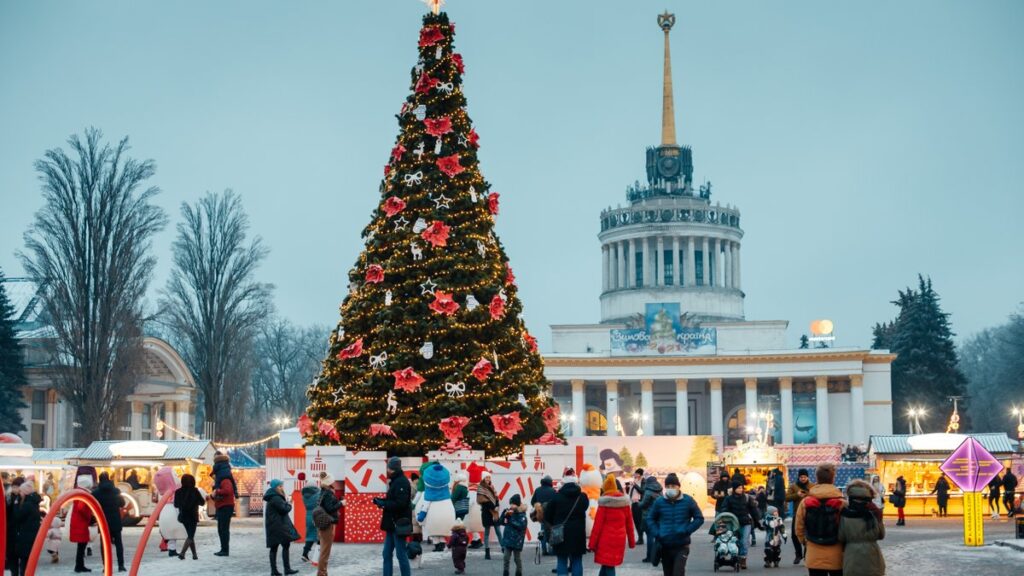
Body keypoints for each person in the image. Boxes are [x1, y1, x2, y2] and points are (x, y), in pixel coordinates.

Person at [647, 472, 704, 576]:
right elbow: (650, 518)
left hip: (682, 545)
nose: (670, 488)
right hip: (665, 545)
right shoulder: (659, 502)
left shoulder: (688, 500)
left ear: (678, 486)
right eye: (668, 486)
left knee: (678, 572)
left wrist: (687, 530)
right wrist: (658, 533)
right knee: (668, 573)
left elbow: (699, 518)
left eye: (673, 486)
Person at [795, 463, 847, 576]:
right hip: (837, 554)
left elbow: (799, 528)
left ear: (817, 478)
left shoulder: (806, 502)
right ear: (833, 478)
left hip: (814, 553)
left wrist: (806, 542)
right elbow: (848, 529)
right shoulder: (842, 503)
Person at [588, 474, 635, 576]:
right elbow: (629, 524)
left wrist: (591, 544)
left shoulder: (604, 504)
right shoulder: (625, 503)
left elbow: (597, 527)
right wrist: (631, 542)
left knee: (608, 566)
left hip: (605, 540)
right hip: (619, 540)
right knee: (607, 565)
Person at [545, 469, 589, 576]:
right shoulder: (582, 497)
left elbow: (547, 515)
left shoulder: (556, 497)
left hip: (561, 533)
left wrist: (555, 523)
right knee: (577, 560)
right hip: (578, 533)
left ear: (563, 482)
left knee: (561, 560)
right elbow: (585, 508)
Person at [838, 479, 886, 576]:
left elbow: (841, 536)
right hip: (872, 557)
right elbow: (881, 535)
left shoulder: (844, 514)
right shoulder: (874, 513)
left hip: (851, 557)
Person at [376, 457, 411, 576]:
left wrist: (384, 504)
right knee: (386, 553)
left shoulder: (401, 482)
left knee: (401, 554)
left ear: (393, 469)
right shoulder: (396, 481)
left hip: (399, 523)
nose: (387, 470)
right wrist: (381, 501)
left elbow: (400, 504)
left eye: (389, 468)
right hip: (392, 523)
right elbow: (394, 500)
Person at [264, 479, 300, 576]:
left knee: (276, 547)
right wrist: (289, 503)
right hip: (278, 526)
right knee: (280, 547)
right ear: (275, 487)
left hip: (275, 525)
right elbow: (284, 509)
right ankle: (282, 570)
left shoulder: (273, 497)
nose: (282, 488)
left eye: (281, 486)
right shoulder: (276, 498)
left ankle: (276, 570)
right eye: (280, 486)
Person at [92, 472, 126, 572]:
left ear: (100, 480)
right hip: (115, 521)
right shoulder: (116, 491)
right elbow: (122, 503)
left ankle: (106, 566)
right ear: (108, 479)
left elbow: (92, 506)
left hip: (103, 522)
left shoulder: (96, 493)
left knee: (104, 545)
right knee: (119, 544)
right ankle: (121, 565)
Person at [723, 481, 761, 569]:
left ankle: (743, 559)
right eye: (738, 488)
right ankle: (736, 557)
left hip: (746, 523)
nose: (740, 489)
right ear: (734, 489)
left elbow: (753, 510)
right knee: (736, 541)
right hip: (734, 523)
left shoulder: (747, 498)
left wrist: (758, 521)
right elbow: (724, 509)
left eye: (741, 488)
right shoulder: (728, 499)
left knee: (744, 541)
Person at [69, 468, 96, 573]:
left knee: (81, 546)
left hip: (78, 523)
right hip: (81, 523)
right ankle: (79, 566)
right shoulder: (83, 494)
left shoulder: (78, 492)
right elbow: (81, 508)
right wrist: (88, 516)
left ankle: (79, 565)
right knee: (82, 546)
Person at [154, 466, 186, 558]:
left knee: (171, 532)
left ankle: (172, 549)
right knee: (173, 531)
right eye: (175, 475)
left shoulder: (163, 493)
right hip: (173, 511)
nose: (177, 477)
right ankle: (172, 549)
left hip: (165, 512)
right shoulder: (174, 491)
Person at [211, 452, 238, 557]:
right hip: (223, 506)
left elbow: (228, 490)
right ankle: (223, 549)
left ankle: (225, 550)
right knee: (221, 529)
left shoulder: (225, 479)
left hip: (225, 506)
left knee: (223, 529)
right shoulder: (224, 476)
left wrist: (216, 491)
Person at [12, 480, 41, 575]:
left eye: (21, 491)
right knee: (27, 560)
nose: (19, 493)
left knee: (24, 561)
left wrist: (16, 504)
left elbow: (17, 516)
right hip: (31, 535)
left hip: (26, 536)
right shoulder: (34, 502)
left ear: (25, 492)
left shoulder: (27, 505)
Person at [786, 468, 814, 564]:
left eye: (805, 477)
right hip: (797, 514)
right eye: (801, 477)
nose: (803, 479)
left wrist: (808, 495)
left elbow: (817, 496)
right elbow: (786, 498)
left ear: (807, 477)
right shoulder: (794, 486)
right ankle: (798, 554)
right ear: (799, 477)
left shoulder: (813, 486)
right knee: (794, 535)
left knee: (809, 535)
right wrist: (797, 495)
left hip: (810, 513)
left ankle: (807, 554)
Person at [317, 472, 343, 576]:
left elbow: (329, 507)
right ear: (329, 482)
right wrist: (341, 503)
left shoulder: (323, 492)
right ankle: (322, 573)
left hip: (324, 524)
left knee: (324, 550)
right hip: (327, 524)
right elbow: (330, 508)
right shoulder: (327, 493)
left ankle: (323, 572)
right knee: (325, 551)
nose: (334, 482)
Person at [173, 473, 204, 561]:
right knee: (190, 536)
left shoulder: (178, 492)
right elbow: (202, 502)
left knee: (190, 536)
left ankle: (194, 555)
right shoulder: (195, 491)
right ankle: (182, 553)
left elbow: (176, 505)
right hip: (192, 516)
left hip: (183, 516)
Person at [499, 494, 528, 576]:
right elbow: (501, 522)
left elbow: (521, 526)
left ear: (517, 504)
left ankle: (519, 573)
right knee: (506, 558)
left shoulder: (522, 515)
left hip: (517, 540)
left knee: (517, 559)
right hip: (508, 539)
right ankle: (505, 572)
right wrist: (503, 515)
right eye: (511, 504)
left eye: (513, 504)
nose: (511, 506)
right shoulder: (509, 512)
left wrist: (510, 519)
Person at [477, 472, 502, 559]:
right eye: (486, 477)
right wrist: (493, 507)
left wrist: (497, 505)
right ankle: (487, 552)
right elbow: (481, 500)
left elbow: (496, 497)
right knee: (487, 533)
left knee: (498, 532)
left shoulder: (492, 487)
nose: (488, 479)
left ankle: (503, 549)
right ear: (483, 478)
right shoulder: (480, 488)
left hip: (494, 513)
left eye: (489, 477)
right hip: (486, 512)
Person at [638, 473, 663, 563]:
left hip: (648, 517)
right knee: (658, 538)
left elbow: (643, 504)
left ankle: (649, 557)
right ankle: (658, 557)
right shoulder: (660, 491)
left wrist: (638, 503)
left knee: (649, 537)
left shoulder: (648, 491)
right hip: (659, 517)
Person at [531, 474, 557, 555]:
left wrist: (538, 507)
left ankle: (544, 549)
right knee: (551, 531)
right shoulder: (552, 491)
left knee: (542, 530)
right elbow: (555, 503)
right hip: (550, 514)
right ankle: (551, 550)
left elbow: (532, 502)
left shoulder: (538, 490)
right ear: (550, 482)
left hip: (540, 514)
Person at [6, 476, 24, 572]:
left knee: (22, 558)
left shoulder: (25, 499)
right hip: (11, 531)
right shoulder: (9, 498)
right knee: (12, 557)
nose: (14, 489)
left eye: (16, 487)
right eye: (13, 486)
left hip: (21, 532)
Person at [300, 483, 321, 563]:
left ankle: (304, 554)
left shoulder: (304, 496)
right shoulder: (318, 494)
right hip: (318, 515)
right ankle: (317, 557)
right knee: (321, 536)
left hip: (308, 516)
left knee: (310, 536)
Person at [628, 469, 646, 545]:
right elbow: (632, 492)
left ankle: (641, 538)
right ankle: (640, 537)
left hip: (639, 503)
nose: (634, 475)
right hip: (633, 503)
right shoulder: (635, 480)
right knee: (636, 521)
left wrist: (634, 485)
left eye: (635, 473)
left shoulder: (643, 481)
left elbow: (642, 491)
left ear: (639, 474)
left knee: (639, 521)